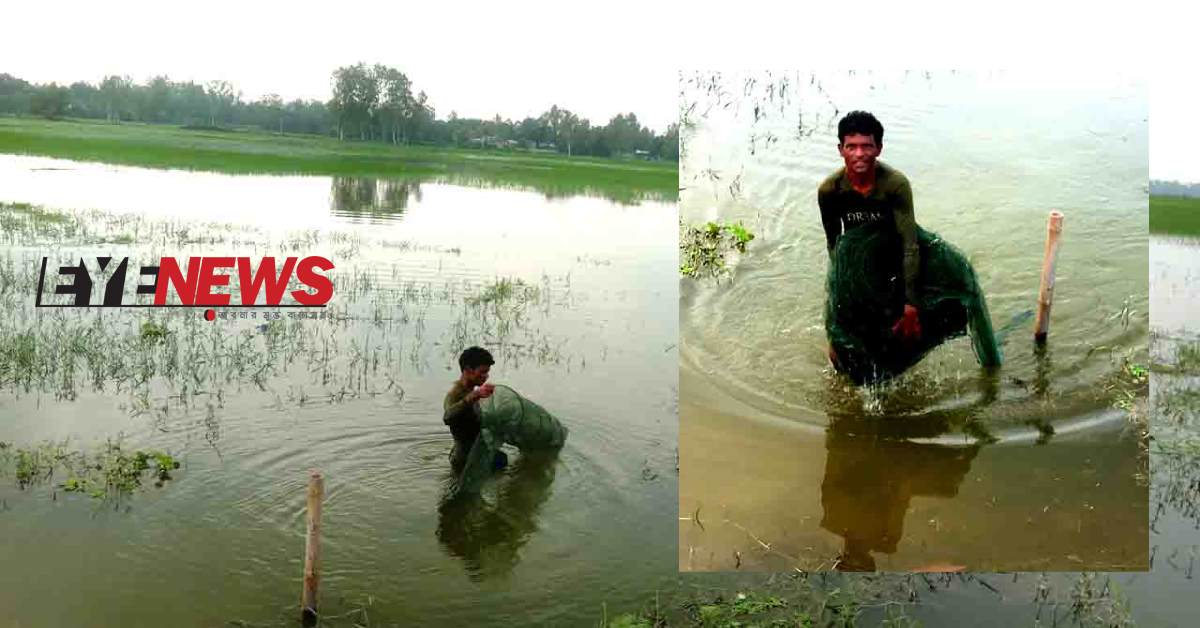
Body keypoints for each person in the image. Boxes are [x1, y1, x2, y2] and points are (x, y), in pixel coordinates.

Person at [818, 111, 921, 368]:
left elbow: (909, 244)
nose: (859, 154)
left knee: (900, 339)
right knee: (840, 350)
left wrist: (911, 304)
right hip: (856, 265)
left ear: (879, 149)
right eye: (851, 147)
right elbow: (834, 244)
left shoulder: (895, 185)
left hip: (892, 257)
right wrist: (843, 288)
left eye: (867, 146)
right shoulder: (830, 190)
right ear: (840, 149)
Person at [444, 346, 496, 470]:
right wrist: (474, 396)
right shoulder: (455, 394)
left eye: (487, 372)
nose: (486, 376)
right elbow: (447, 417)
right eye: (482, 372)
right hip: (464, 461)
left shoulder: (470, 390)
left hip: (476, 455)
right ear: (468, 370)